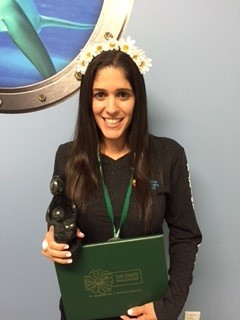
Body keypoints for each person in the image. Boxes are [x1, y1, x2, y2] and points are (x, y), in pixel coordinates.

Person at [41, 36, 202, 320]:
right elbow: (59, 220)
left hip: (145, 314)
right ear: (87, 100)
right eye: (100, 94)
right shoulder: (67, 157)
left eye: (123, 94)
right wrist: (54, 241)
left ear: (136, 98)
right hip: (84, 309)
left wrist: (167, 309)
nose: (111, 108)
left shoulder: (168, 155)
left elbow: (185, 236)